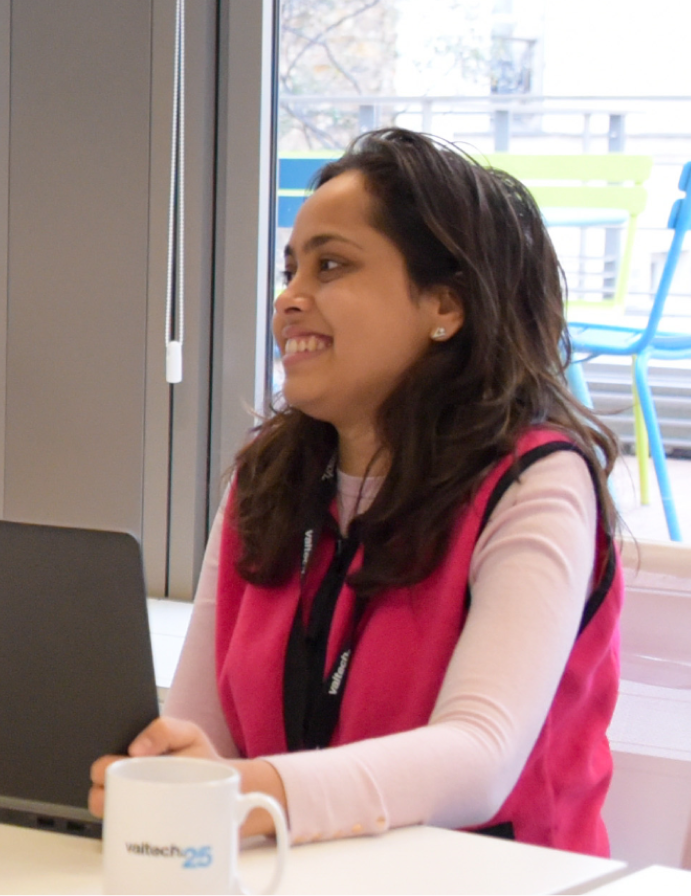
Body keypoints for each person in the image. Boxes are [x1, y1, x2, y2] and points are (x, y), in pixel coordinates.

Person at [89, 128, 622, 852]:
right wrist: (160, 777)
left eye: (331, 265)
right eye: (291, 269)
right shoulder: (266, 480)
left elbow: (480, 754)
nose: (289, 300)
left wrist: (252, 792)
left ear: (446, 304)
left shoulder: (537, 481)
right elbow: (200, 740)